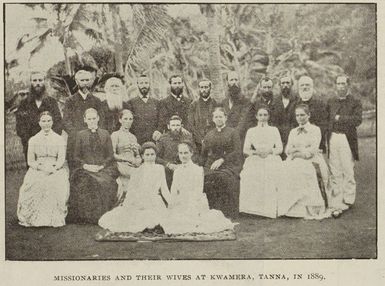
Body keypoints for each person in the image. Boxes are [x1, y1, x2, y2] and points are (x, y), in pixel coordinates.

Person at [162, 141, 236, 234]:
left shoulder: (197, 170)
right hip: (180, 201)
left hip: (194, 202)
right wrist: (172, 204)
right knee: (170, 221)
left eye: (186, 153)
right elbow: (174, 190)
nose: (183, 156)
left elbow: (197, 191)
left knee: (191, 222)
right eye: (181, 153)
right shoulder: (177, 171)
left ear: (191, 153)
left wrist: (187, 205)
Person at [98, 142, 171, 233]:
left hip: (156, 201)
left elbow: (164, 189)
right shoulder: (137, 171)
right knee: (135, 220)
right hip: (141, 200)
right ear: (142, 156)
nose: (150, 157)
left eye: (152, 154)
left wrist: (172, 203)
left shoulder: (160, 168)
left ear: (155, 155)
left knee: (164, 220)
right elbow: (132, 191)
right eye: (147, 155)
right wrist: (129, 205)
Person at [17, 111, 69, 227]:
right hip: (38, 168)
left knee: (54, 183)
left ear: (52, 122)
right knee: (34, 184)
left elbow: (61, 159)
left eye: (49, 121)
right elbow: (30, 161)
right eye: (43, 121)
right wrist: (41, 167)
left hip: (55, 168)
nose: (46, 124)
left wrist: (53, 168)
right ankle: (33, 216)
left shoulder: (59, 139)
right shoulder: (33, 140)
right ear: (39, 123)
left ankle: (53, 217)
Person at [67, 108, 118, 224]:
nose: (92, 121)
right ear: (85, 120)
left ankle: (102, 215)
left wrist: (102, 166)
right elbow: (76, 156)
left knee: (106, 182)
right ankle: (87, 217)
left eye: (94, 118)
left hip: (102, 168)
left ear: (98, 118)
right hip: (85, 169)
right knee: (85, 181)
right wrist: (85, 166)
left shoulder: (105, 134)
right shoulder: (80, 135)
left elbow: (110, 155)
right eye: (89, 119)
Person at [281, 104, 330, 220]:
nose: (300, 118)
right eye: (297, 115)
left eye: (302, 115)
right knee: (284, 171)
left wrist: (298, 151)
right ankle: (291, 207)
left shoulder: (315, 129)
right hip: (294, 159)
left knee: (304, 172)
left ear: (308, 115)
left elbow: (312, 150)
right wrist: (298, 150)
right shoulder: (293, 131)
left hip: (310, 160)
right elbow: (287, 149)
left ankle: (308, 207)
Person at [327, 75, 362, 218]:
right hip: (333, 137)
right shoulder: (331, 101)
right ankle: (337, 197)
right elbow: (327, 118)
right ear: (335, 85)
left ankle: (349, 199)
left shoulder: (355, 102)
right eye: (338, 83)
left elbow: (357, 120)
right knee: (335, 168)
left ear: (348, 85)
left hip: (347, 138)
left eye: (343, 83)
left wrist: (340, 118)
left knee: (347, 168)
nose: (340, 86)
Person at [239, 106, 283, 218]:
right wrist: (256, 152)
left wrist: (269, 151)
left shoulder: (274, 130)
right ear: (256, 117)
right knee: (250, 174)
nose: (262, 117)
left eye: (265, 115)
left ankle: (268, 209)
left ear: (268, 116)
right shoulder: (251, 131)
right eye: (260, 115)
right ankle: (252, 209)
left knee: (270, 173)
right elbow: (245, 150)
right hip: (255, 157)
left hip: (271, 157)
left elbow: (280, 148)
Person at [201, 107, 243, 218]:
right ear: (213, 119)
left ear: (225, 118)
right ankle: (211, 211)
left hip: (229, 164)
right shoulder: (209, 134)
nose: (218, 119)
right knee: (206, 178)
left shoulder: (233, 132)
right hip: (212, 165)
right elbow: (204, 154)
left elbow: (237, 151)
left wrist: (222, 159)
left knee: (225, 178)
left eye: (221, 116)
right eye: (216, 117)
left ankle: (227, 213)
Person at [16, 71, 63, 164]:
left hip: (50, 146)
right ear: (31, 82)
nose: (37, 83)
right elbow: (20, 127)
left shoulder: (52, 102)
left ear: (44, 81)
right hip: (31, 146)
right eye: (34, 80)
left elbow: (58, 123)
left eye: (40, 80)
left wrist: (49, 139)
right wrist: (30, 141)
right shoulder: (24, 104)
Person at [63, 66, 105, 169]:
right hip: (76, 140)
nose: (85, 83)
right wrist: (78, 135)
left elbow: (102, 120)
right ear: (77, 81)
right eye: (82, 80)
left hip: (94, 139)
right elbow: (66, 121)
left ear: (91, 81)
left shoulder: (96, 101)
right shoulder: (70, 101)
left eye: (87, 80)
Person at [110, 109, 142, 203]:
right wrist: (126, 159)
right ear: (120, 120)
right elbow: (112, 154)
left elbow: (138, 156)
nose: (128, 121)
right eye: (126, 119)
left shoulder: (133, 137)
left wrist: (137, 159)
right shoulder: (115, 135)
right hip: (121, 165)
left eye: (130, 119)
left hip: (133, 165)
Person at [156, 115, 196, 187]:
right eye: (173, 125)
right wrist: (168, 164)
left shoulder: (188, 137)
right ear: (169, 126)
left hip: (185, 168)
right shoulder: (163, 138)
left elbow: (195, 154)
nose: (175, 128)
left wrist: (185, 164)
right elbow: (156, 157)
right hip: (168, 170)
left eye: (178, 125)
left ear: (181, 126)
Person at [239, 77, 283, 142]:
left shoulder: (278, 103)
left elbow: (282, 122)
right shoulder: (255, 103)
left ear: (272, 88)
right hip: (258, 137)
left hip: (274, 136)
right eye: (264, 87)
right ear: (260, 88)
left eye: (269, 87)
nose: (267, 90)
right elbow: (248, 120)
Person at [293, 75, 328, 153]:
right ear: (299, 88)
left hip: (315, 143)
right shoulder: (294, 105)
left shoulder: (320, 104)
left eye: (307, 85)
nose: (304, 87)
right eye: (302, 85)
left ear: (312, 87)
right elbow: (292, 124)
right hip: (298, 142)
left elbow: (324, 125)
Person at [125, 74, 162, 144]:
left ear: (149, 84)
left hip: (153, 139)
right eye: (141, 83)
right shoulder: (130, 103)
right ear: (137, 85)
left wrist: (159, 130)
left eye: (146, 83)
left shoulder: (157, 102)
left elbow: (161, 119)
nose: (144, 85)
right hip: (137, 139)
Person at [188, 79, 219, 153]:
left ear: (210, 88)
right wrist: (200, 139)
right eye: (201, 87)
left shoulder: (216, 104)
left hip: (214, 140)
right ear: (199, 89)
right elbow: (191, 125)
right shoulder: (193, 105)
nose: (204, 90)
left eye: (206, 87)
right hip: (198, 142)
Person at [276, 75, 297, 148]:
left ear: (292, 85)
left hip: (294, 139)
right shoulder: (274, 101)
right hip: (278, 139)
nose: (285, 85)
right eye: (283, 83)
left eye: (288, 83)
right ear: (279, 85)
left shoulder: (298, 101)